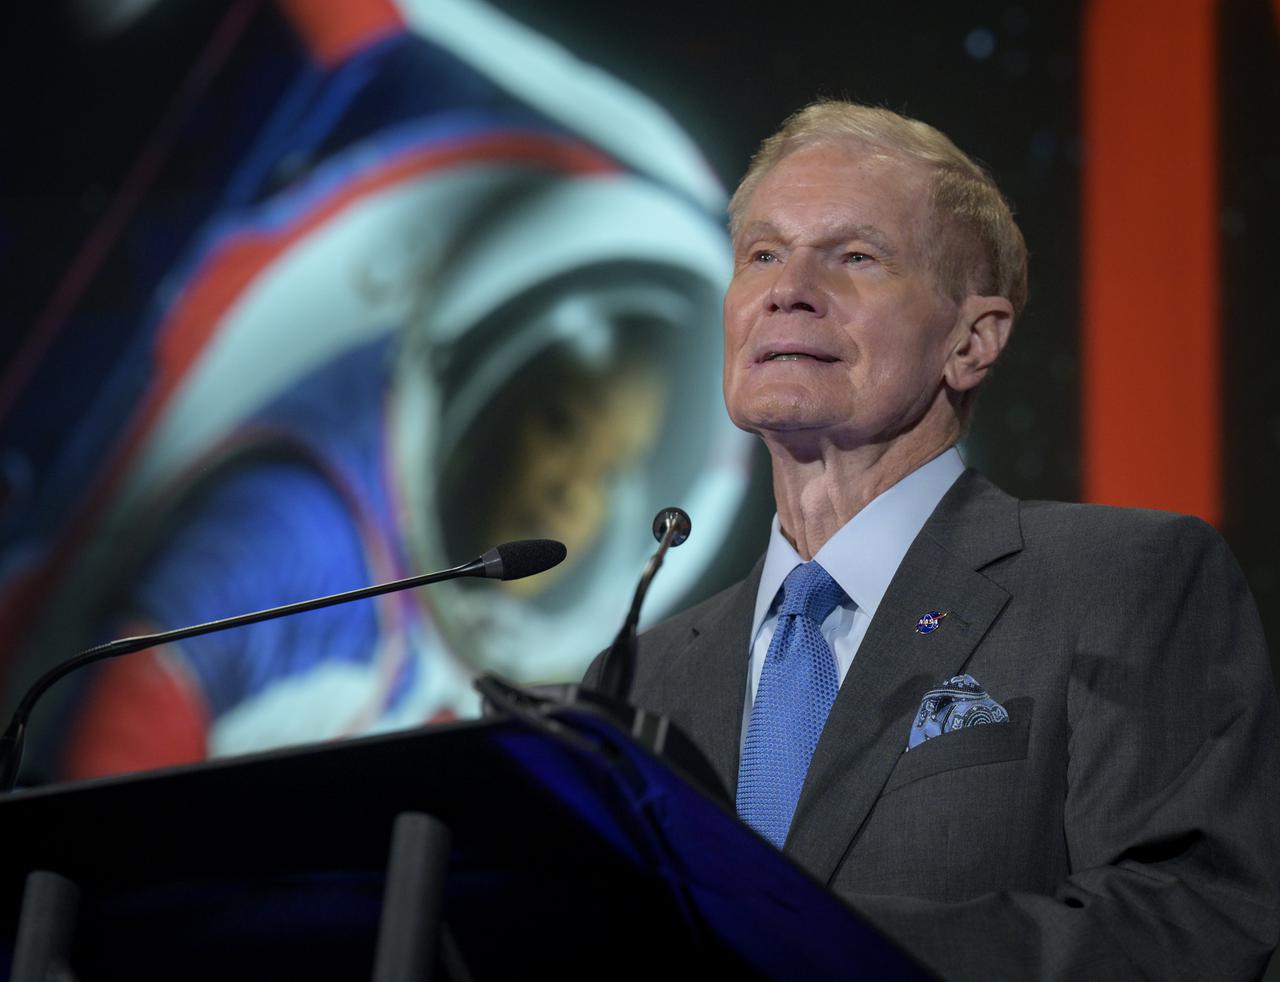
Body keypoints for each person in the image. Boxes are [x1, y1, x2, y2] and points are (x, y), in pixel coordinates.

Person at [584, 100, 1280, 980]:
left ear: (972, 341)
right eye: (762, 253)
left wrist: (796, 947)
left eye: (856, 257)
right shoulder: (640, 680)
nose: (786, 288)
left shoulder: (1124, 581)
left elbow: (1193, 920)